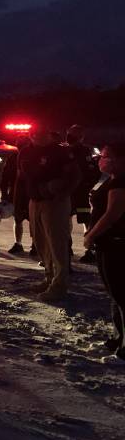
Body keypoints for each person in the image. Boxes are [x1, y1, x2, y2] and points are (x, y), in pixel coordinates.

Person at [20, 127, 81, 301]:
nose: (38, 137)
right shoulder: (25, 152)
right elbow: (23, 177)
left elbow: (76, 175)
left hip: (54, 202)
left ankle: (59, 286)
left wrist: (63, 193)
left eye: (42, 133)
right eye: (35, 134)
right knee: (40, 242)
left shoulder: (60, 152)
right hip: (35, 200)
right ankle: (49, 278)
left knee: (56, 243)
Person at [84, 144, 125, 361]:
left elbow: (112, 214)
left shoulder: (120, 182)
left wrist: (91, 235)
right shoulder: (111, 179)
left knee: (121, 293)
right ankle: (118, 337)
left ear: (119, 160)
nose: (101, 159)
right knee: (114, 293)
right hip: (107, 243)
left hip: (116, 243)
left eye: (106, 156)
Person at [66, 125, 101, 264]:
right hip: (69, 192)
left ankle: (90, 250)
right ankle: (67, 246)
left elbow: (94, 171)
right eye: (69, 133)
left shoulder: (85, 151)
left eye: (73, 134)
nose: (69, 136)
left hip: (80, 193)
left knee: (86, 220)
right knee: (66, 219)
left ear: (81, 137)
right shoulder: (64, 150)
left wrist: (87, 186)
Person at [1, 136, 35, 255]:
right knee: (17, 219)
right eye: (19, 143)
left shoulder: (32, 157)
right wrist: (4, 194)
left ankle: (35, 244)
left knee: (32, 220)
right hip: (16, 193)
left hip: (30, 193)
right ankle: (18, 243)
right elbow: (4, 178)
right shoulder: (12, 158)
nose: (21, 146)